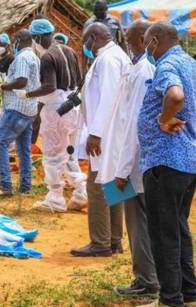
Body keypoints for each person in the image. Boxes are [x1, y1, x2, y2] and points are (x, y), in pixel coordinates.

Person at [136, 21, 196, 307]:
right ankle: (190, 295)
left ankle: (170, 299)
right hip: (188, 161)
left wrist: (164, 119)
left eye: (146, 41)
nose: (144, 47)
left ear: (156, 40)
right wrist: (195, 111)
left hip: (166, 160)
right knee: (178, 229)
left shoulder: (167, 65)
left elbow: (174, 96)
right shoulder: (188, 62)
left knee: (164, 235)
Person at [97, 20, 159, 298]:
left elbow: (136, 123)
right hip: (128, 158)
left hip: (134, 163)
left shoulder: (143, 69)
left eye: (130, 38)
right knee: (138, 223)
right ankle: (144, 277)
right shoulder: (137, 66)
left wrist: (121, 169)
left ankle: (147, 281)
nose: (127, 42)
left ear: (144, 40)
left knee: (139, 224)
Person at [70, 22, 130, 257]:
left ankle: (100, 242)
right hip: (114, 132)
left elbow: (108, 97)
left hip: (106, 133)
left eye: (86, 40)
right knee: (113, 185)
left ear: (93, 37)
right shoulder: (117, 56)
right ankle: (114, 239)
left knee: (97, 189)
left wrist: (95, 133)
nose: (85, 46)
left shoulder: (108, 60)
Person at [23, 18, 86, 213]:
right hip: (73, 107)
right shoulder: (69, 51)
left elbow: (49, 86)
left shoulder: (47, 56)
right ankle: (81, 192)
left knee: (51, 155)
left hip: (57, 111)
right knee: (67, 153)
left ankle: (55, 199)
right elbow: (79, 81)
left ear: (38, 37)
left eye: (34, 39)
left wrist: (27, 94)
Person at [0, 29, 40, 197]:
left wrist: (1, 86)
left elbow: (22, 81)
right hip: (29, 108)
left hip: (17, 107)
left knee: (0, 142)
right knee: (23, 148)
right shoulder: (34, 57)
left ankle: (5, 185)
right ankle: (25, 186)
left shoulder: (23, 57)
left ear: (18, 41)